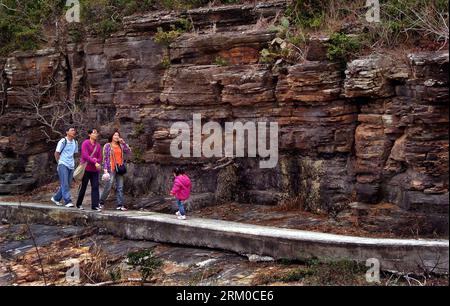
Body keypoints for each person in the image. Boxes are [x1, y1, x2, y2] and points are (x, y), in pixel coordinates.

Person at [99, 130, 131, 211]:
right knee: (108, 186)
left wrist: (123, 142)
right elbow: (105, 158)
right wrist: (105, 169)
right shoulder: (107, 146)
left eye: (118, 135)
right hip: (111, 168)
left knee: (120, 187)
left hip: (120, 168)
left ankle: (120, 205)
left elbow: (128, 151)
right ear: (112, 136)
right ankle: (101, 202)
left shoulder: (120, 145)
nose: (117, 136)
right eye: (115, 135)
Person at [51, 127, 78, 207]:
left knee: (67, 184)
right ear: (67, 132)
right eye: (72, 130)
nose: (74, 131)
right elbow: (56, 153)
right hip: (63, 164)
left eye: (74, 130)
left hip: (71, 165)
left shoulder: (75, 142)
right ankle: (67, 201)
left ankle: (56, 198)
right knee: (65, 183)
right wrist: (59, 163)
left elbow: (75, 154)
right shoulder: (63, 141)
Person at [76, 128, 102, 211]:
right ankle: (79, 204)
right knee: (83, 186)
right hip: (86, 168)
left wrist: (96, 162)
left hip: (95, 170)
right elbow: (85, 155)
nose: (96, 134)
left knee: (95, 187)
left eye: (96, 133)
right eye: (94, 133)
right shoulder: (85, 143)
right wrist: (95, 161)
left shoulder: (98, 145)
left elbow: (100, 157)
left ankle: (95, 205)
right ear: (89, 134)